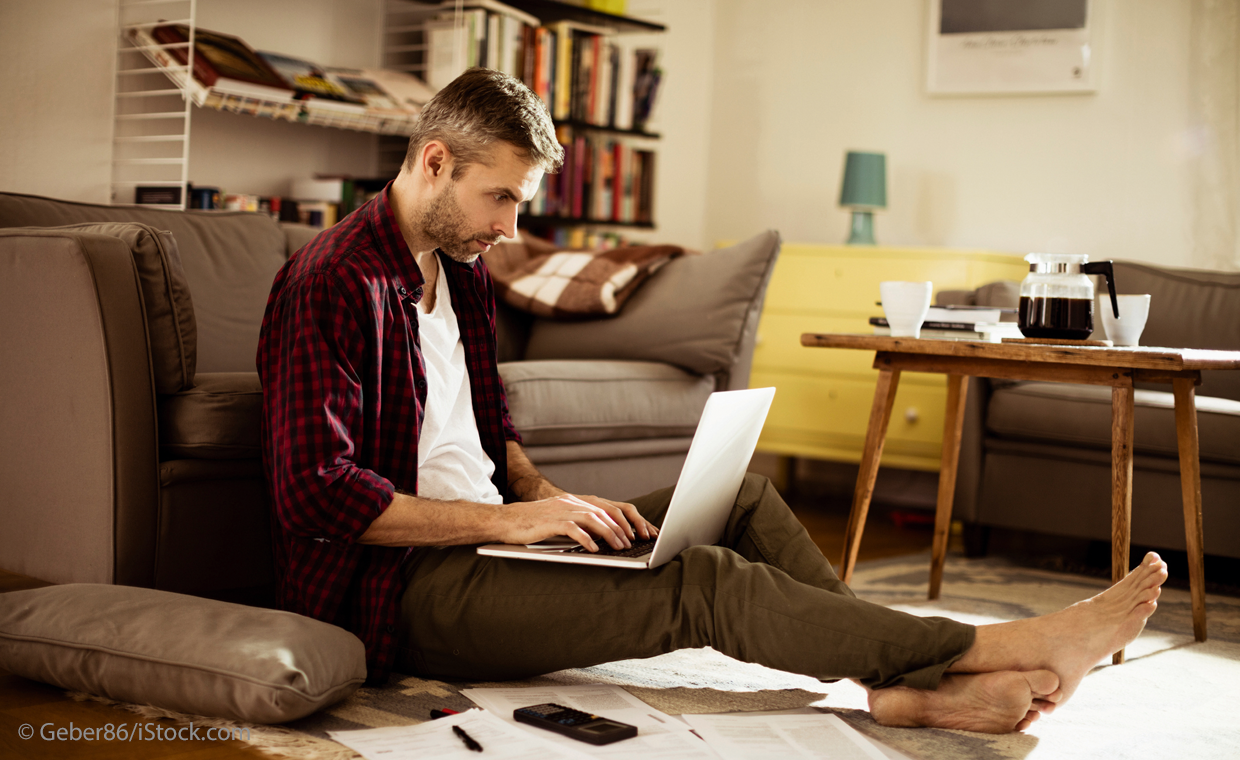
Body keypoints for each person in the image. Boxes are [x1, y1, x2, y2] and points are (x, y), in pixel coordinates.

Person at [257, 67, 1168, 734]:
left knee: (742, 500)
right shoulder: (330, 281)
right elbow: (317, 496)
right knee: (703, 585)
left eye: (519, 203)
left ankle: (906, 690)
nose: (509, 228)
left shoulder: (461, 272)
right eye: (500, 197)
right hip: (400, 595)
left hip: (489, 540)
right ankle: (988, 647)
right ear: (432, 160)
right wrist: (505, 527)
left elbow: (488, 435)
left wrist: (543, 501)